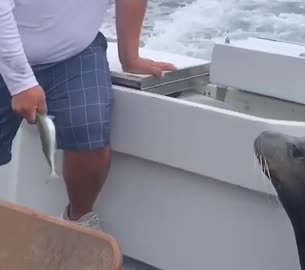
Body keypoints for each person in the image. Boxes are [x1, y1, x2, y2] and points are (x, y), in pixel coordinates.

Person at [0, 0, 177, 230]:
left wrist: (130, 57)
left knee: (89, 130)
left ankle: (78, 224)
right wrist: (21, 82)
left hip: (74, 52)